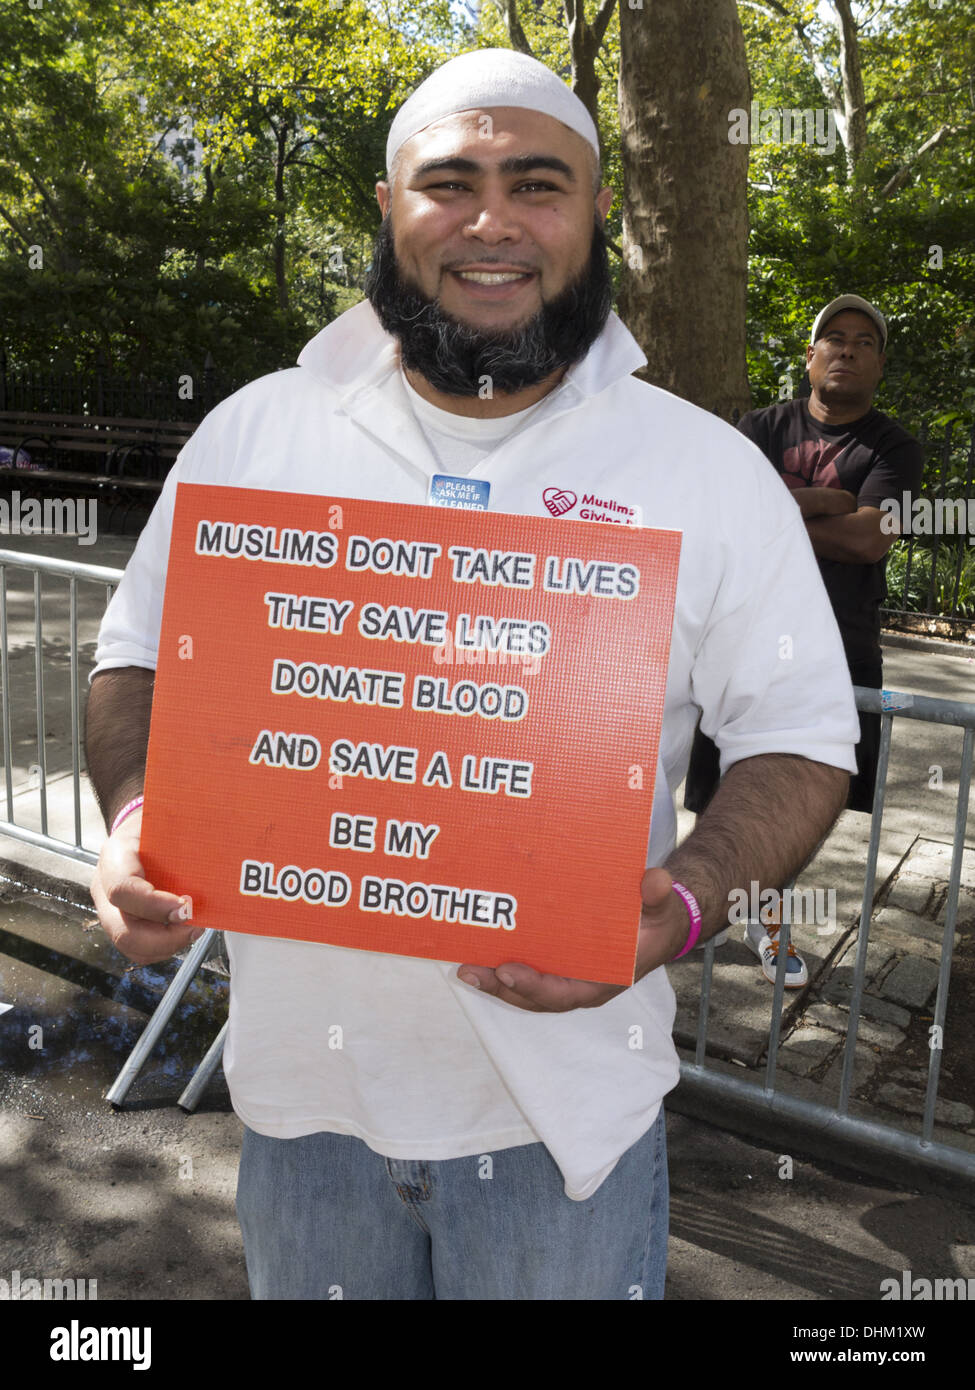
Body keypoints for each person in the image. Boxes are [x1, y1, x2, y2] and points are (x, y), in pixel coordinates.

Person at [85, 49, 858, 1301]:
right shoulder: (256, 431)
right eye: (449, 181)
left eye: (536, 183)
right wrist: (136, 822)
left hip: (567, 1139)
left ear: (598, 212)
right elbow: (135, 655)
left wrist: (692, 902)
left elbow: (806, 735)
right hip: (300, 1110)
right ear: (389, 210)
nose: (493, 220)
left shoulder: (705, 470)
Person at [684, 294, 923, 987]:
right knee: (714, 792)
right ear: (810, 356)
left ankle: (768, 923)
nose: (846, 350)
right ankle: (705, 913)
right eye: (833, 339)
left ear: (877, 364)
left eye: (863, 342)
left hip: (838, 647)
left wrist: (775, 508)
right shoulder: (757, 426)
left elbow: (870, 538)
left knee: (802, 800)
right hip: (739, 637)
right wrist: (831, 501)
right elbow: (721, 514)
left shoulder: (894, 446)